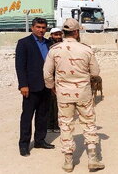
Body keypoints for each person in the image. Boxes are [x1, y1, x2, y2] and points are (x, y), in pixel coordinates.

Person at [43, 18, 104, 172]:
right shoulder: (86, 49)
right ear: (76, 32)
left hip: (63, 94)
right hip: (83, 93)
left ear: (64, 32)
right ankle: (93, 159)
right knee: (88, 123)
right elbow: (95, 73)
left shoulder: (55, 49)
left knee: (65, 124)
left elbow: (47, 73)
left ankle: (69, 161)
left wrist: (52, 87)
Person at [15, 17, 55, 157]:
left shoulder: (50, 43)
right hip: (30, 87)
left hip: (46, 86)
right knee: (27, 116)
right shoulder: (24, 43)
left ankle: (40, 140)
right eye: (38, 27)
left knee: (43, 115)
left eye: (43, 27)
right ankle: (24, 145)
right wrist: (23, 85)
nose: (41, 30)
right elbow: (20, 66)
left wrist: (54, 84)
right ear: (32, 27)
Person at [47, 28, 63, 133]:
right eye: (55, 35)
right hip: (49, 75)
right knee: (49, 102)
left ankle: (56, 125)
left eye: (59, 35)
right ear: (52, 35)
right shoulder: (47, 45)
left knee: (57, 102)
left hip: (60, 76)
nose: (57, 37)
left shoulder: (63, 45)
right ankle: (49, 125)